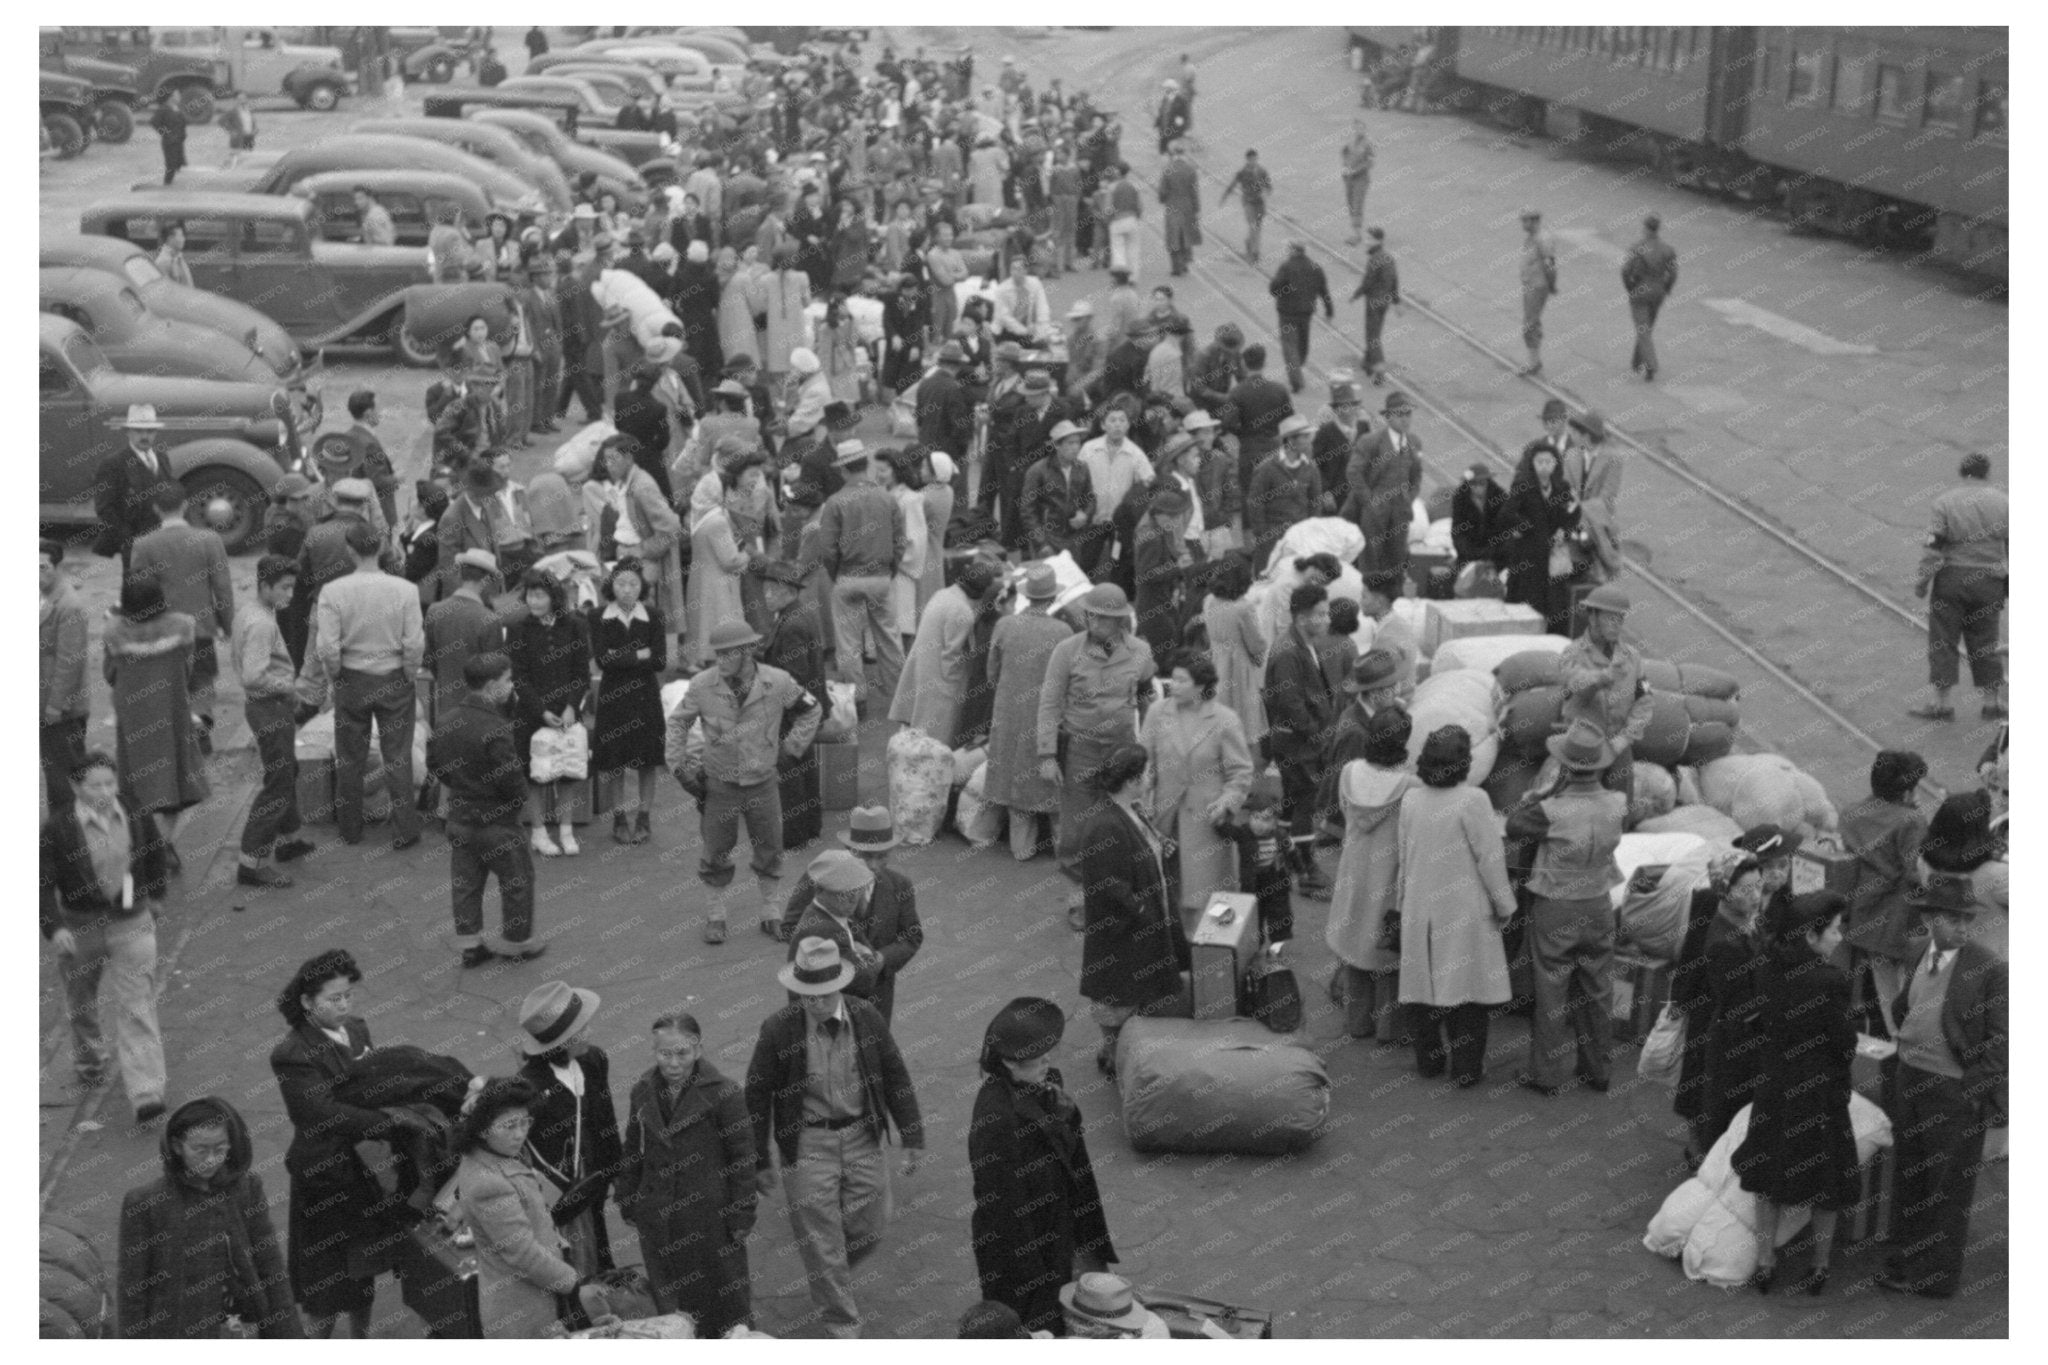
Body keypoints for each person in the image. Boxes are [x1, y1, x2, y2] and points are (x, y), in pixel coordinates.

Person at [744, 937, 925, 1340]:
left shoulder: (867, 1017)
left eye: (825, 994)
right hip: (808, 1144)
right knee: (821, 1241)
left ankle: (829, 1273)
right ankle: (843, 1328)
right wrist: (758, 1159)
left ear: (840, 986)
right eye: (808, 995)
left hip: (863, 1136)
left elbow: (895, 1073)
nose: (817, 1003)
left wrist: (911, 1134)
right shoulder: (778, 1029)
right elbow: (756, 1095)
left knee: (871, 1226)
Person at [1877, 872, 2007, 1300]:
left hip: (1953, 1093)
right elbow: (1903, 1006)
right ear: (1931, 918)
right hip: (1910, 1080)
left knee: (1947, 1190)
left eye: (1968, 920)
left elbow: (2002, 1044)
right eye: (1954, 919)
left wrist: (1971, 1091)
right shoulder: (1918, 952)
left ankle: (1936, 1279)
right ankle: (1900, 1262)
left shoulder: (1990, 969)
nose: (1964, 928)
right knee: (1909, 1180)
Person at [268, 950, 412, 1337]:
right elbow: (321, 1113)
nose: (344, 1005)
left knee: (361, 1272)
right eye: (334, 999)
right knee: (326, 1286)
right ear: (306, 1002)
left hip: (364, 1171)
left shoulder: (358, 1029)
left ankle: (360, 1339)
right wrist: (388, 1122)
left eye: (348, 995)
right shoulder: (292, 1055)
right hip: (325, 1177)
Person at [1729, 892, 1859, 1296]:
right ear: (1811, 936)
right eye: (1835, 929)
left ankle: (1766, 1262)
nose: (1840, 937)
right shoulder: (1831, 981)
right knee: (1827, 1183)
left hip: (1775, 1087)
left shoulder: (1767, 969)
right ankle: (1818, 1267)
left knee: (1768, 1178)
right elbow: (1844, 1044)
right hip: (1819, 1095)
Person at [666, 619, 821, 945]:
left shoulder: (778, 682)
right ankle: (716, 914)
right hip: (719, 783)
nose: (722, 660)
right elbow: (678, 723)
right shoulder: (701, 685)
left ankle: (770, 910)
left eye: (729, 653)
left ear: (748, 650)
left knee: (770, 845)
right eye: (718, 654)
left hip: (763, 781)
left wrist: (791, 750)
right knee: (716, 850)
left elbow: (811, 709)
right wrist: (679, 767)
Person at [968, 998, 1117, 1336]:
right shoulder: (997, 1119)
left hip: (1056, 1225)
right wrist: (1034, 1275)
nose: (1048, 1058)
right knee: (1033, 1325)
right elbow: (1003, 1208)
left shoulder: (1041, 1084)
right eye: (1038, 1054)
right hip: (1023, 1251)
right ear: (1010, 1062)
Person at [41, 750, 171, 1121]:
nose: (104, 791)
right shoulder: (59, 828)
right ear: (75, 786)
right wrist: (56, 928)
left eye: (109, 783)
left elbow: (154, 853)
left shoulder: (132, 811)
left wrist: (156, 897)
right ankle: (90, 1058)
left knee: (137, 1005)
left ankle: (146, 1091)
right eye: (95, 785)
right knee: (81, 999)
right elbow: (43, 883)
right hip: (81, 925)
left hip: (131, 920)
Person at [616, 1009, 757, 1335]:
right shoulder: (642, 1091)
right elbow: (633, 1148)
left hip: (711, 1222)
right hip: (659, 1222)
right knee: (674, 1312)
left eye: (682, 1053)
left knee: (727, 1305)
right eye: (665, 1053)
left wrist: (741, 1215)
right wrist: (627, 1197)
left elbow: (743, 1159)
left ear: (698, 1049)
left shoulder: (725, 1093)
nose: (674, 1063)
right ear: (655, 1052)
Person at [1506, 719, 1628, 1095]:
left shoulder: (1549, 809)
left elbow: (1514, 826)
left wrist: (1538, 794)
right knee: (1597, 989)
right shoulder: (1618, 803)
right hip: (1598, 903)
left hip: (1556, 905)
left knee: (1551, 988)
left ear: (1564, 765)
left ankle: (1546, 1074)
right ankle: (1598, 1070)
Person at [118, 1095, 299, 1339]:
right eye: (200, 1150)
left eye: (220, 1149)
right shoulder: (145, 1204)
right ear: (177, 1146)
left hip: (242, 1323)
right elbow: (133, 1289)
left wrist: (290, 1334)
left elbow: (269, 1264)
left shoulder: (247, 1188)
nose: (211, 1159)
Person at [1396, 726, 1519, 1084]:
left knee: (1421, 989)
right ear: (1464, 763)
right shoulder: (1474, 800)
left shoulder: (1412, 799)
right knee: (1466, 993)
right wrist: (1505, 904)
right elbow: (1490, 859)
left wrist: (1402, 902)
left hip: (1420, 905)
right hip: (1464, 909)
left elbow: (1404, 855)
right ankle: (1466, 1069)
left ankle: (1429, 1063)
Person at [1037, 584, 1157, 929]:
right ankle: (1082, 901)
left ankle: (1118, 896)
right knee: (1076, 831)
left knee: (1122, 826)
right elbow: (1048, 703)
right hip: (1081, 751)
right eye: (1092, 614)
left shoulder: (1140, 652)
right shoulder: (1066, 651)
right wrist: (1046, 755)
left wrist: (1148, 748)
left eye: (1105, 617)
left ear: (1120, 620)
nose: (1096, 621)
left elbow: (1150, 695)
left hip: (1122, 750)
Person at [1077, 742, 1191, 1075]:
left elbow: (1140, 851)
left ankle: (1122, 1054)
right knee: (1119, 999)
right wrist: (1144, 912)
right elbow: (1111, 886)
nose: (1149, 777)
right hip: (1124, 931)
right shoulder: (1105, 827)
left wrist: (1160, 848)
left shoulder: (1131, 811)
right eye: (1145, 773)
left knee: (1131, 994)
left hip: (1140, 924)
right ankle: (1113, 1056)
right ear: (1131, 781)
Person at [427, 653, 546, 966]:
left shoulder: (446, 720)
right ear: (493, 685)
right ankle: (516, 943)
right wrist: (518, 799)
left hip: (460, 817)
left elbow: (435, 765)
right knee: (517, 880)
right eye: (507, 681)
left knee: (466, 884)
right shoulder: (495, 726)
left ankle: (471, 946)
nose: (511, 686)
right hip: (497, 822)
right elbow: (510, 774)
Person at [314, 519, 426, 850]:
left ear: (349, 549)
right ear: (380, 548)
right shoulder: (405, 590)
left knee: (350, 756)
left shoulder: (333, 592)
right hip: (394, 676)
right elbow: (414, 643)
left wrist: (336, 676)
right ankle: (405, 828)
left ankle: (350, 828)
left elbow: (327, 647)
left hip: (352, 677)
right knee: (398, 756)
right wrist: (408, 671)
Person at [451, 1077, 585, 1337]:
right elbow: (523, 1255)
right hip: (522, 1313)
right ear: (482, 1128)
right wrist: (571, 1282)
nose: (520, 1133)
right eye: (510, 1125)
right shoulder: (489, 1183)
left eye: (525, 1122)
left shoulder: (492, 1155)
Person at [513, 982, 622, 1280]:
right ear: (560, 1043)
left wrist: (618, 1174)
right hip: (562, 1197)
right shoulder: (529, 1087)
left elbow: (606, 1121)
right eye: (581, 1029)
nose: (589, 1032)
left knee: (600, 1247)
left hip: (594, 1178)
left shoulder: (593, 1060)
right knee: (574, 1264)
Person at [1322, 707, 1417, 1041]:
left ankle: (1358, 1023)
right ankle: (1391, 1031)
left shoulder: (1349, 773)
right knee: (1388, 951)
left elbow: (1346, 813)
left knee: (1355, 948)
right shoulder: (1410, 785)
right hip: (1389, 876)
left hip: (1353, 871)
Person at [1669, 852, 1768, 1166]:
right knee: (1707, 1095)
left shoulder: (1744, 923)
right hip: (1720, 1026)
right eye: (1746, 889)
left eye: (1759, 887)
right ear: (1725, 890)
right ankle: (1704, 1157)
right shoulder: (1723, 937)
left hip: (1723, 1024)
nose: (1755, 896)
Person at [1140, 650, 1254, 922]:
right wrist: (1140, 805)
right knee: (1166, 886)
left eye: (1181, 681)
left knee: (1207, 891)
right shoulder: (1157, 713)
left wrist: (1227, 802)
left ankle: (1209, 950)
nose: (1173, 686)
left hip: (1207, 820)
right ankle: (1174, 950)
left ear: (1201, 686)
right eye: (1172, 679)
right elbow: (1144, 763)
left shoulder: (1224, 720)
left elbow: (1240, 771)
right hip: (1163, 817)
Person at [103, 574, 208, 862]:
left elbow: (110, 673)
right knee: (176, 779)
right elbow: (188, 668)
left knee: (136, 783)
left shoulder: (114, 631)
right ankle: (165, 843)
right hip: (171, 709)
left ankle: (143, 845)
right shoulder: (182, 626)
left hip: (133, 715)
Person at [780, 814, 926, 1009]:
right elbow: (791, 926)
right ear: (849, 850)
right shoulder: (821, 875)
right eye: (865, 856)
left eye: (882, 856)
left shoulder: (900, 886)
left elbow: (911, 937)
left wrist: (881, 959)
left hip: (877, 997)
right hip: (822, 1000)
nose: (873, 866)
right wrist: (828, 957)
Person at [805, 440, 909, 708]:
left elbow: (827, 548)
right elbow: (900, 541)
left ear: (843, 471)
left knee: (848, 644)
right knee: (889, 638)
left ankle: (856, 699)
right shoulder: (887, 498)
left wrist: (837, 574)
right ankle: (898, 696)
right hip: (881, 577)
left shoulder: (835, 502)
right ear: (866, 465)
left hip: (848, 577)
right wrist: (889, 570)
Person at [130, 483, 234, 747]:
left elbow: (138, 593)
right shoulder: (209, 540)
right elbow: (222, 588)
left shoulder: (143, 545)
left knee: (169, 684)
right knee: (202, 682)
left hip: (162, 630)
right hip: (200, 628)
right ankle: (200, 726)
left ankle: (175, 737)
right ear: (185, 505)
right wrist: (226, 624)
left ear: (156, 509)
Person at [1838, 750, 1931, 1034]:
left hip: (1865, 915)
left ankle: (1895, 1040)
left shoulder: (1852, 814)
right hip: (1902, 920)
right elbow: (1916, 871)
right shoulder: (1911, 822)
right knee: (1912, 991)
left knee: (1885, 990)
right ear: (1906, 790)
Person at [231, 556, 310, 889]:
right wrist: (289, 688)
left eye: (292, 587)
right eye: (284, 587)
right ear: (264, 585)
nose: (289, 595)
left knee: (287, 770)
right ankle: (253, 861)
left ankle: (289, 839)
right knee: (278, 783)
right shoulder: (262, 623)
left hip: (264, 708)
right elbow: (253, 677)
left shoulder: (250, 612)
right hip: (270, 708)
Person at [1910, 451, 2008, 721]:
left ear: (1962, 473)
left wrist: (1922, 581)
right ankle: (1992, 703)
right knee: (1986, 642)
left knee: (1943, 641)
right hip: (1989, 582)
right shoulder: (2004, 503)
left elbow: (1934, 546)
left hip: (1952, 582)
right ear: (1987, 473)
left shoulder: (1945, 503)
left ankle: (1940, 704)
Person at [986, 564, 1073, 861]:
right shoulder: (1063, 631)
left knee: (1015, 786)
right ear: (1051, 598)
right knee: (1051, 789)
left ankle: (1021, 849)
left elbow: (991, 673)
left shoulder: (1005, 625)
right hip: (1047, 717)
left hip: (1009, 712)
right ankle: (1065, 851)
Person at [507, 570, 590, 859]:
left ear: (553, 597)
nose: (534, 600)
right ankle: (539, 832)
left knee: (567, 770)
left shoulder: (576, 626)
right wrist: (540, 711)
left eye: (540, 595)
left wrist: (571, 706)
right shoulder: (518, 629)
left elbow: (581, 673)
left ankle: (566, 830)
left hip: (567, 710)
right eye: (530, 595)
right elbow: (520, 677)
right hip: (532, 712)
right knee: (534, 773)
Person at [1262, 584, 1338, 900]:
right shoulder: (1288, 652)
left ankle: (1284, 856)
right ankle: (1307, 869)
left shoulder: (1302, 645)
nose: (1327, 619)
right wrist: (1313, 731)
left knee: (1293, 802)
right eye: (1320, 614)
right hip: (1297, 744)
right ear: (1303, 617)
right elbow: (1289, 702)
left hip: (1300, 741)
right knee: (1305, 805)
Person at [590, 559, 667, 845]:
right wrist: (639, 655)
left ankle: (644, 817)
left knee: (648, 760)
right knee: (615, 761)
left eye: (633, 583)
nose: (627, 590)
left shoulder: (654, 616)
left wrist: (620, 656)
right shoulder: (598, 616)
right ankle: (619, 819)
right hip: (613, 696)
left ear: (642, 586)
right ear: (611, 586)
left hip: (646, 695)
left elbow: (659, 661)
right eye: (621, 583)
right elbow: (602, 660)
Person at [1556, 583, 1652, 799]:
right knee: (1575, 803)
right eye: (1610, 618)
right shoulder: (1572, 653)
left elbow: (1644, 701)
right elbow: (1575, 684)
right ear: (1592, 617)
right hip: (1582, 746)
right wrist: (1603, 677)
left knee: (1621, 804)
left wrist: (1625, 738)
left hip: (1618, 745)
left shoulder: (1632, 657)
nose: (1616, 625)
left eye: (1620, 619)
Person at [889, 555, 996, 749]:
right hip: (938, 678)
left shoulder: (943, 594)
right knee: (935, 736)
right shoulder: (962, 611)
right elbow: (951, 656)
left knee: (916, 725)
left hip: (922, 663)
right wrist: (959, 687)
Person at [757, 559, 826, 852]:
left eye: (770, 591)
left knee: (788, 768)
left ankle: (794, 833)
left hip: (795, 709)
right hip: (805, 706)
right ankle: (809, 826)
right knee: (804, 764)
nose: (765, 596)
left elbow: (792, 676)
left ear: (785, 590)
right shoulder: (795, 615)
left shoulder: (792, 623)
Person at [599, 437, 686, 657]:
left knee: (638, 622)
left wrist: (641, 551)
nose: (608, 465)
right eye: (605, 460)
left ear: (628, 458)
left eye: (613, 459)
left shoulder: (642, 486)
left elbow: (671, 526)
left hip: (641, 562)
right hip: (626, 559)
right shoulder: (626, 482)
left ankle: (643, 668)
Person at [684, 457, 760, 669]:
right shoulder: (718, 520)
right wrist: (748, 554)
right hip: (719, 582)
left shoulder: (699, 517)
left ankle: (699, 660)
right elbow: (730, 560)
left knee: (703, 623)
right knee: (722, 625)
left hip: (701, 576)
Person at [1500, 439, 1581, 636]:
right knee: (1527, 602)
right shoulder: (1522, 485)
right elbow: (1506, 514)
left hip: (1552, 557)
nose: (1544, 467)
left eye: (1549, 462)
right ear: (1532, 463)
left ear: (1555, 464)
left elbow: (1574, 513)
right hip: (1527, 556)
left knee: (1554, 605)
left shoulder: (1562, 488)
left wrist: (1565, 530)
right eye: (1540, 462)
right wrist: (1526, 527)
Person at [1343, 390, 1423, 580]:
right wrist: (1369, 500)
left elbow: (1416, 475)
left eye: (1408, 414)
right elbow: (1353, 471)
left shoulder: (1414, 442)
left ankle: (1393, 597)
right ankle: (1370, 595)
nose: (1405, 420)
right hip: (1375, 507)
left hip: (1401, 508)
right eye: (1400, 414)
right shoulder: (1371, 441)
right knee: (1371, 555)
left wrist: (1409, 498)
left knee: (1397, 555)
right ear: (1388, 417)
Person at [424, 548, 507, 727]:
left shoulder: (434, 611)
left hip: (445, 708)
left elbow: (430, 659)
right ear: (485, 580)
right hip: (480, 714)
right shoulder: (489, 620)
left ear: (461, 575)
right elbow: (494, 673)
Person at [93, 404, 179, 573]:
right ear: (128, 432)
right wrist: (128, 540)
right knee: (136, 591)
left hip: (163, 538)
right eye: (139, 431)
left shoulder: (162, 458)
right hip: (134, 543)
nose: (144, 436)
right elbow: (104, 508)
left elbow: (171, 494)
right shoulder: (113, 464)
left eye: (149, 431)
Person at [40, 539, 91, 815]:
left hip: (62, 709)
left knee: (66, 778)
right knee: (55, 772)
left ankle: (71, 836)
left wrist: (55, 706)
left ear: (57, 566)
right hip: (44, 703)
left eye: (42, 567)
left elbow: (70, 662)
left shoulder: (69, 605)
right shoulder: (41, 596)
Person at [1246, 415, 1322, 568]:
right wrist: (1263, 535)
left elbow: (1316, 502)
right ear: (1291, 440)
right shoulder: (1267, 468)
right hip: (1272, 538)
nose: (1309, 441)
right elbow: (1255, 503)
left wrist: (1311, 529)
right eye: (1305, 436)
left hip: (1301, 537)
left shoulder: (1311, 468)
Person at [1021, 419, 1097, 562]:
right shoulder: (1037, 471)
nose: (1076, 447)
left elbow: (1090, 499)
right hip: (1047, 537)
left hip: (1073, 538)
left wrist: (1085, 516)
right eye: (1070, 443)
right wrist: (1041, 542)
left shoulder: (1082, 468)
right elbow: (1027, 510)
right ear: (1057, 446)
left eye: (1078, 442)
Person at [1132, 484, 1192, 657]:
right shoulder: (1151, 537)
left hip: (1161, 599)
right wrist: (1177, 567)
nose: (1178, 521)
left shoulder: (1158, 527)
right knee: (1164, 650)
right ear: (1160, 514)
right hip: (1152, 604)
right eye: (1174, 517)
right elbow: (1145, 574)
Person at [1562, 411, 1623, 582]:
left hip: (1598, 521)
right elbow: (1564, 488)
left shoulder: (1613, 459)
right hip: (1572, 520)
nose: (1571, 436)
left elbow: (1607, 496)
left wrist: (1583, 516)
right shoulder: (1571, 455)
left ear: (1586, 436)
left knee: (1600, 571)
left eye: (1574, 433)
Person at [1269, 242, 1334, 393]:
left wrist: (1278, 294)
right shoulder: (1315, 267)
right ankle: (1299, 365)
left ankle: (1295, 378)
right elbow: (1324, 290)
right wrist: (1329, 310)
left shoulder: (1286, 267)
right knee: (1303, 342)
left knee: (1289, 345)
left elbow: (1275, 287)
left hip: (1287, 313)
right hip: (1306, 313)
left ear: (1292, 251)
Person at [1621, 213, 1678, 381]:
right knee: (1647, 327)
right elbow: (1673, 274)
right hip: (1658, 292)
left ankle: (1650, 364)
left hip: (1640, 291)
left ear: (1645, 228)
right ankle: (1637, 361)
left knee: (1642, 329)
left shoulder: (1637, 248)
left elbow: (1625, 271)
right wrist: (1666, 289)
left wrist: (1630, 288)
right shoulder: (1668, 249)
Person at [1351, 227, 1401, 384]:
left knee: (1372, 336)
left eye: (1370, 239)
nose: (1366, 242)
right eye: (1366, 238)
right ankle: (1368, 362)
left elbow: (1368, 282)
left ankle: (1379, 371)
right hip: (1384, 301)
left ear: (1379, 241)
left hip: (1373, 301)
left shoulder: (1374, 259)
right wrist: (1396, 301)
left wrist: (1356, 294)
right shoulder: (1388, 258)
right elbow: (1394, 280)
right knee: (1374, 331)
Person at [1517, 208, 1558, 376]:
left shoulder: (1543, 239)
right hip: (1530, 284)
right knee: (1531, 322)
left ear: (1534, 221)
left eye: (1525, 221)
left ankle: (1533, 363)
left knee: (1530, 323)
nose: (1522, 224)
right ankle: (1534, 360)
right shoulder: (1531, 237)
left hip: (1538, 285)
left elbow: (1550, 265)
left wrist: (1552, 285)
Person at [1218, 147, 1272, 264]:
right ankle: (1255, 252)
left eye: (1255, 159)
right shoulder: (1242, 172)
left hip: (1259, 202)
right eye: (1251, 159)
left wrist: (1268, 192)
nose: (1253, 161)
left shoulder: (1262, 171)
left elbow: (1268, 185)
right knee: (1253, 226)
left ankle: (1250, 244)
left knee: (1257, 227)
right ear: (1247, 159)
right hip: (1248, 202)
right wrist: (1224, 196)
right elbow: (1232, 185)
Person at [1157, 141, 1201, 277]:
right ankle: (1185, 263)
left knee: (1174, 237)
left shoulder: (1168, 169)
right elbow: (1194, 192)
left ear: (1173, 154)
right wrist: (1196, 208)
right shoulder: (1191, 170)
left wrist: (1163, 199)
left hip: (1173, 207)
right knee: (1186, 236)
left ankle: (1177, 267)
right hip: (1188, 207)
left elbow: (1162, 192)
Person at [1339, 118, 1374, 244]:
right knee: (1350, 204)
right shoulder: (1351, 141)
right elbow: (1344, 152)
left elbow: (1369, 162)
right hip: (1348, 179)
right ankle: (1354, 230)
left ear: (1365, 129)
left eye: (1361, 128)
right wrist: (1344, 167)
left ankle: (1357, 235)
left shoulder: (1368, 144)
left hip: (1361, 179)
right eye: (1356, 128)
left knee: (1357, 204)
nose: (1359, 130)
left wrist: (1355, 171)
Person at [1105, 162, 1143, 277]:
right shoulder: (1134, 186)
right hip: (1132, 219)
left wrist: (1108, 220)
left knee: (1118, 249)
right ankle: (1133, 277)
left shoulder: (1111, 187)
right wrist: (1136, 217)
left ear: (1117, 172)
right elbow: (1140, 206)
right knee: (1133, 250)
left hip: (1117, 221)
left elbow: (1108, 209)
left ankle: (1121, 277)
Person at [150, 91, 186, 186]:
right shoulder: (164, 109)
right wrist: (165, 133)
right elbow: (154, 122)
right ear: (171, 97)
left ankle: (170, 182)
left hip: (178, 140)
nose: (179, 97)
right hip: (169, 141)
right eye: (177, 95)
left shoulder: (177, 108)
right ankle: (167, 183)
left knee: (177, 162)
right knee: (171, 163)